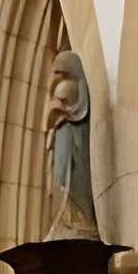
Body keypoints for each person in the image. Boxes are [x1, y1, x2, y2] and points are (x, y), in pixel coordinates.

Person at [45, 52, 100, 241]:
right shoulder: (74, 87)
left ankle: (77, 221)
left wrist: (55, 110)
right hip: (65, 139)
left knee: (68, 179)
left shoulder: (68, 87)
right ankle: (71, 220)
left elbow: (53, 111)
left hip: (70, 144)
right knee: (63, 180)